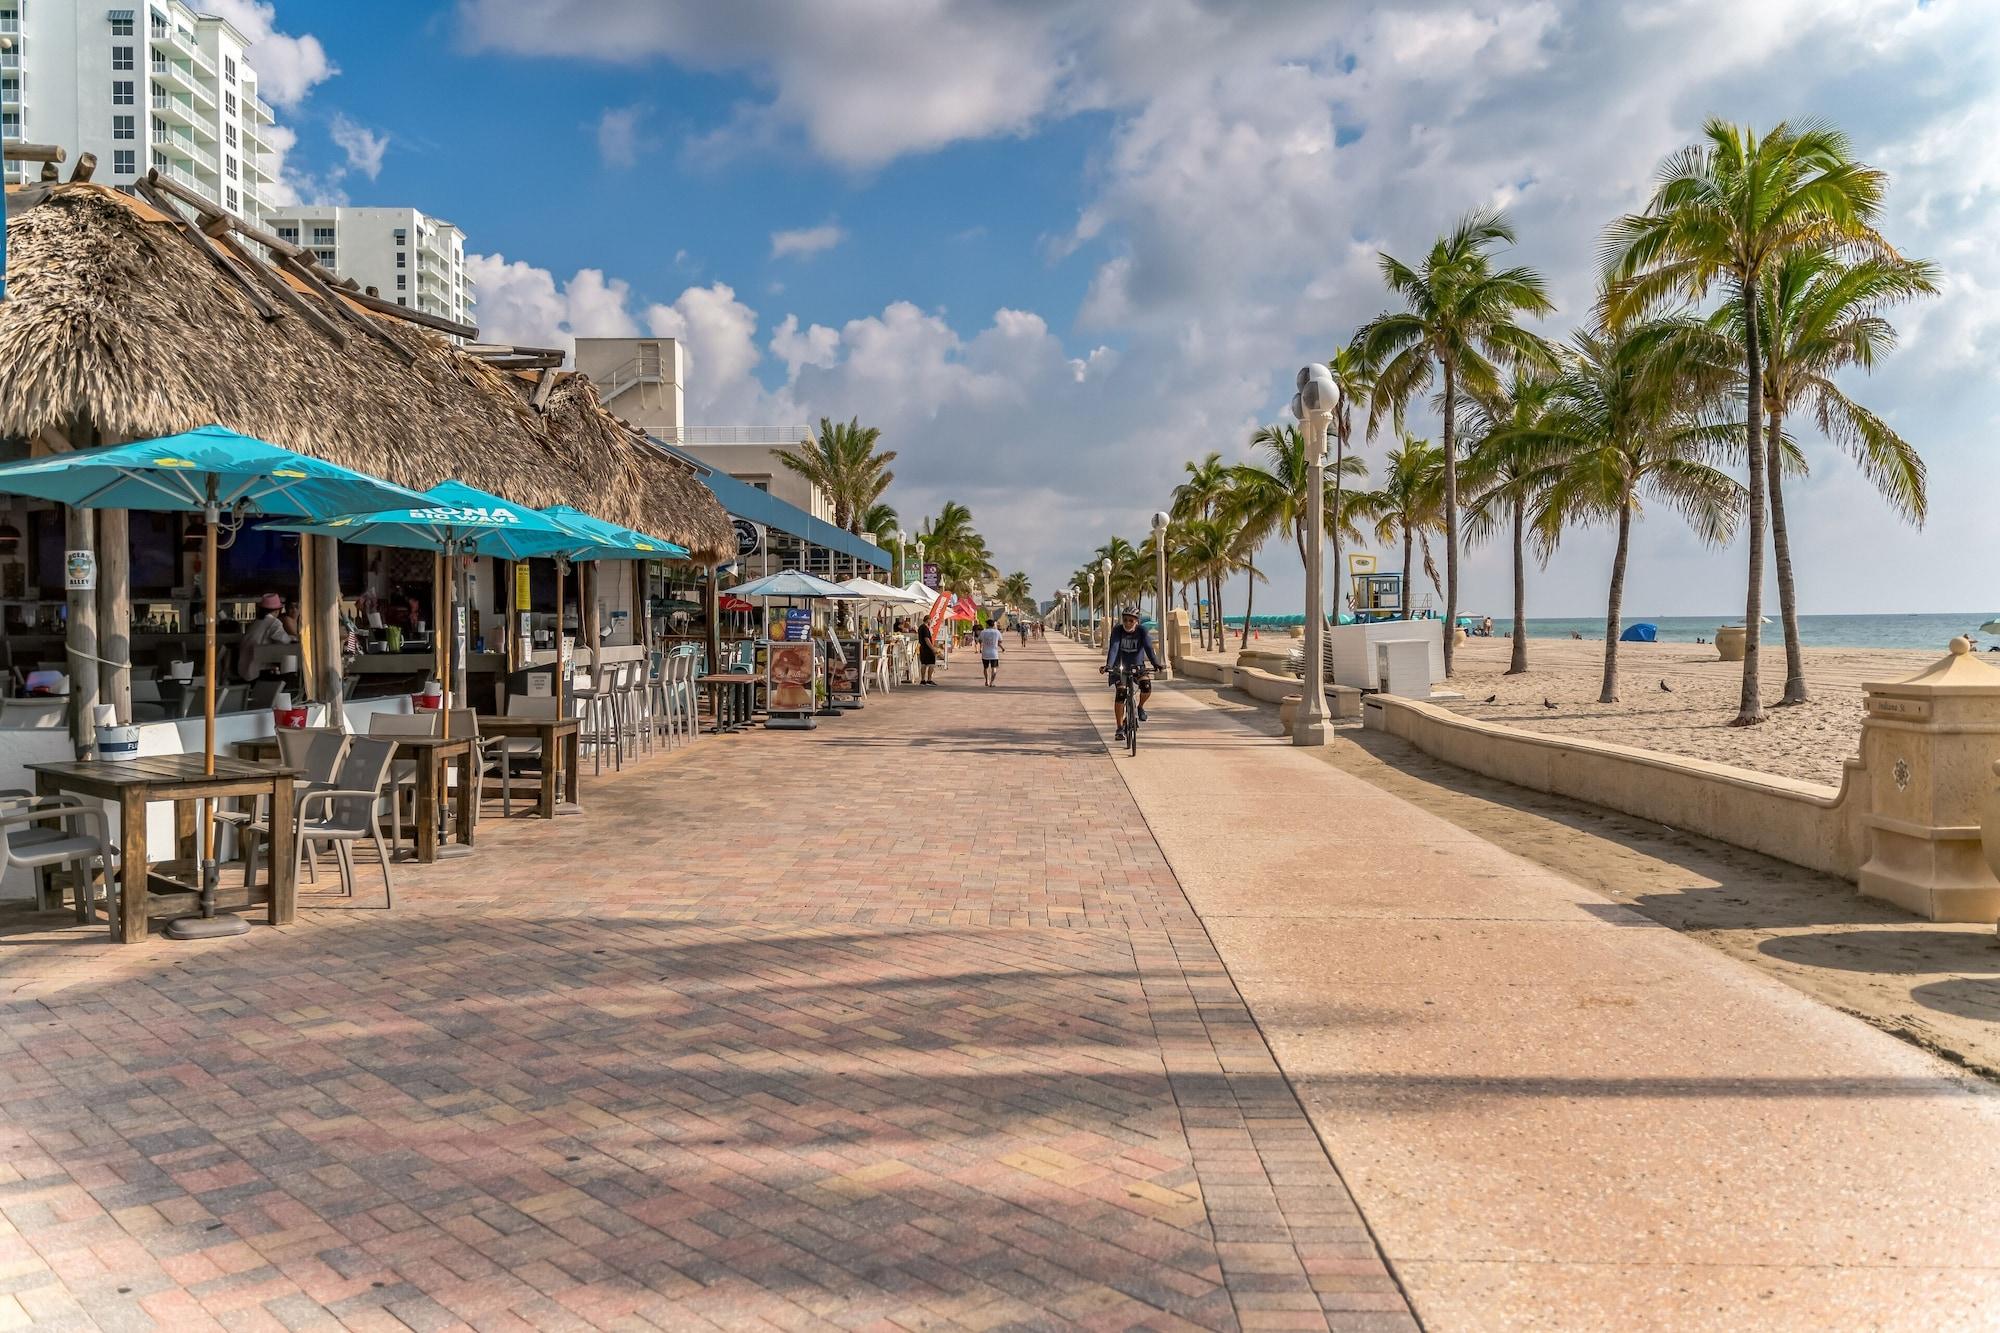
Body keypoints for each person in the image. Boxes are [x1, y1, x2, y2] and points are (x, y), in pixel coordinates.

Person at [1099, 606, 1161, 742]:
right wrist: (1109, 665)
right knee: (1121, 693)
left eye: (1131, 621)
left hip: (1137, 666)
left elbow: (1149, 648)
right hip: (1118, 667)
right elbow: (1114, 647)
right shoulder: (1117, 630)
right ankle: (1119, 728)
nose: (1128, 623)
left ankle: (1140, 707)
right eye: (1125, 620)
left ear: (1136, 621)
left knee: (1146, 686)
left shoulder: (1142, 631)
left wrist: (1156, 663)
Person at [235, 593, 296, 681]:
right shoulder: (273, 622)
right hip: (257, 673)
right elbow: (285, 641)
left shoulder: (255, 623)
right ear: (277, 611)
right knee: (291, 676)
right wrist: (295, 638)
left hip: (243, 671)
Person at [978, 619, 1004, 686]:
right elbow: (1000, 641)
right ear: (993, 625)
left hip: (985, 653)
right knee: (994, 668)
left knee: (985, 668)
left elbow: (980, 640)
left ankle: (987, 681)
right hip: (994, 653)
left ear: (987, 624)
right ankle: (991, 683)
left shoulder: (983, 632)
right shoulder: (997, 632)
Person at [917, 619, 939, 685]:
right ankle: (929, 680)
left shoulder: (920, 627)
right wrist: (933, 649)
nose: (931, 622)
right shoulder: (925, 628)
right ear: (928, 620)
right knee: (932, 664)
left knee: (923, 664)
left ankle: (923, 680)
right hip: (927, 648)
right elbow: (927, 639)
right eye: (931, 621)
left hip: (922, 648)